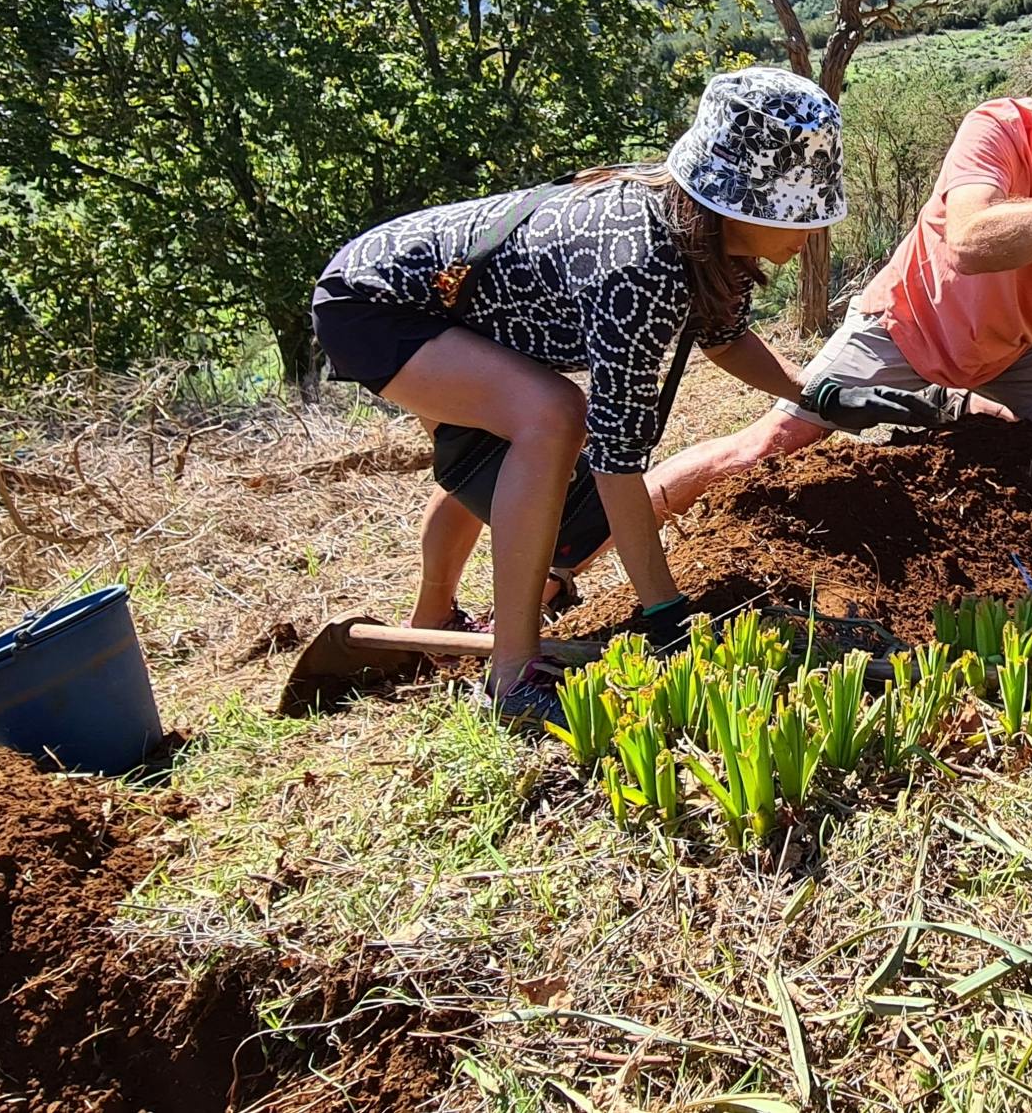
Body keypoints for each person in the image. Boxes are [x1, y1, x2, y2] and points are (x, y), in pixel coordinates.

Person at [310, 67, 853, 723]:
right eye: (799, 215)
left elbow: (726, 340)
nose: (810, 233)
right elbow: (618, 464)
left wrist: (813, 395)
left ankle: (434, 621)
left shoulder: (701, 237)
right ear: (740, 204)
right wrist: (664, 612)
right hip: (378, 304)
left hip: (437, 303)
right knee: (551, 417)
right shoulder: (641, 266)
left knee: (491, 455)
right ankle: (512, 680)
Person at [645, 30, 1032, 517]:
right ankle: (588, 540)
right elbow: (970, 242)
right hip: (903, 325)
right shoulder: (1001, 128)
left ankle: (958, 403)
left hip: (1017, 350)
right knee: (768, 446)